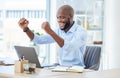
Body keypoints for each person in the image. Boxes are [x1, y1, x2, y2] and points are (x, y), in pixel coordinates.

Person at [18, 5, 87, 67]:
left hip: (76, 69)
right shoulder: (59, 31)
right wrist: (25, 29)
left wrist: (50, 32)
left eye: (62, 17)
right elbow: (39, 40)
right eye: (58, 18)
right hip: (62, 68)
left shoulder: (81, 31)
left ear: (71, 16)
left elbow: (69, 47)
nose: (59, 20)